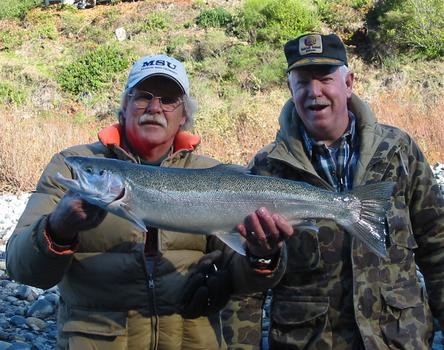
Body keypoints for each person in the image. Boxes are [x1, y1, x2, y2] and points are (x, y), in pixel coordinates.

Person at [5, 54, 294, 350]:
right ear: (124, 106)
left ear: (184, 115)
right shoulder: (69, 166)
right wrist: (57, 229)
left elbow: (245, 284)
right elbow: (22, 270)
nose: (154, 108)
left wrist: (262, 256)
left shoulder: (209, 171)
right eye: (143, 97)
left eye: (168, 99)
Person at [222, 33, 444, 349]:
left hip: (399, 340)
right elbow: (245, 289)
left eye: (325, 78)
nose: (315, 92)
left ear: (349, 82)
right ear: (290, 89)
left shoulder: (398, 150)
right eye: (302, 82)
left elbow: (437, 245)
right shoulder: (266, 167)